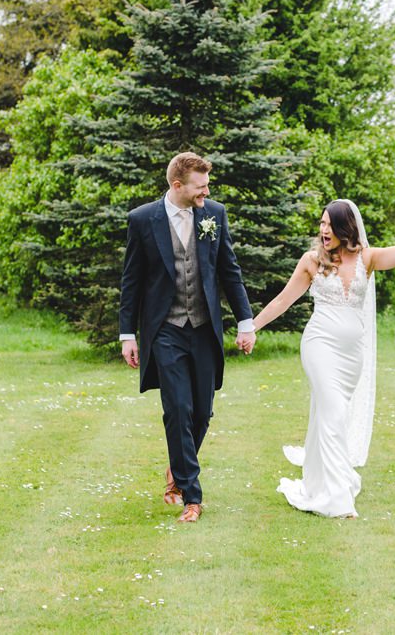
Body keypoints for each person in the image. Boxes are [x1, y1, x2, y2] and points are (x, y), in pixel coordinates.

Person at [241, 198, 395, 518]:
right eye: (321, 224)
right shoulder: (311, 261)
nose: (323, 230)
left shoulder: (367, 258)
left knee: (331, 416)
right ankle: (338, 500)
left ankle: (320, 481)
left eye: (329, 225)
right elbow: (282, 301)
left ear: (346, 228)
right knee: (332, 412)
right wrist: (252, 327)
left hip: (351, 355)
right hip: (319, 345)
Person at [117, 152, 257, 523]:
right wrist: (127, 333)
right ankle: (191, 496)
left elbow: (230, 270)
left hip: (204, 328)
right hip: (165, 330)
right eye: (200, 185)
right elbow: (131, 281)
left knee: (202, 412)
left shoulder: (214, 214)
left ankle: (176, 469)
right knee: (177, 408)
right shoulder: (143, 220)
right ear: (177, 186)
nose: (206, 191)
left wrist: (246, 322)